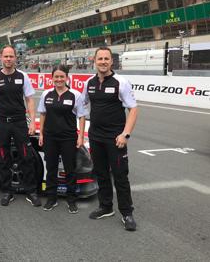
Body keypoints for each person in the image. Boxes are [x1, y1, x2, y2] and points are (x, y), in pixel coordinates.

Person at [82, 46, 138, 231]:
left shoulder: (121, 82)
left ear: (111, 61)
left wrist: (125, 134)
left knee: (121, 176)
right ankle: (106, 207)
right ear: (94, 61)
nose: (103, 62)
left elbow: (133, 109)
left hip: (116, 139)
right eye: (100, 59)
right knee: (101, 174)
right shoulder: (89, 83)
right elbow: (81, 105)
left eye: (107, 59)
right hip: (95, 137)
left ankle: (127, 212)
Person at [0, 45, 41, 207]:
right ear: (1, 58)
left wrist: (32, 121)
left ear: (15, 58)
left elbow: (30, 99)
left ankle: (31, 191)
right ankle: (7, 191)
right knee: (3, 157)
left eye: (11, 56)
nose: (8, 59)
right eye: (6, 56)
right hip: (2, 123)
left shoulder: (23, 76)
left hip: (19, 123)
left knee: (27, 156)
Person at [37, 64, 87, 214]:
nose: (59, 79)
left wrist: (81, 136)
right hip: (50, 137)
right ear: (52, 78)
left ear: (67, 78)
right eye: (56, 77)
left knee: (69, 169)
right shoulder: (46, 94)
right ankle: (51, 198)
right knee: (51, 169)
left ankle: (71, 200)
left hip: (68, 138)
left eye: (61, 76)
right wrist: (41, 134)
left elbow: (82, 116)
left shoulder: (75, 95)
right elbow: (43, 114)